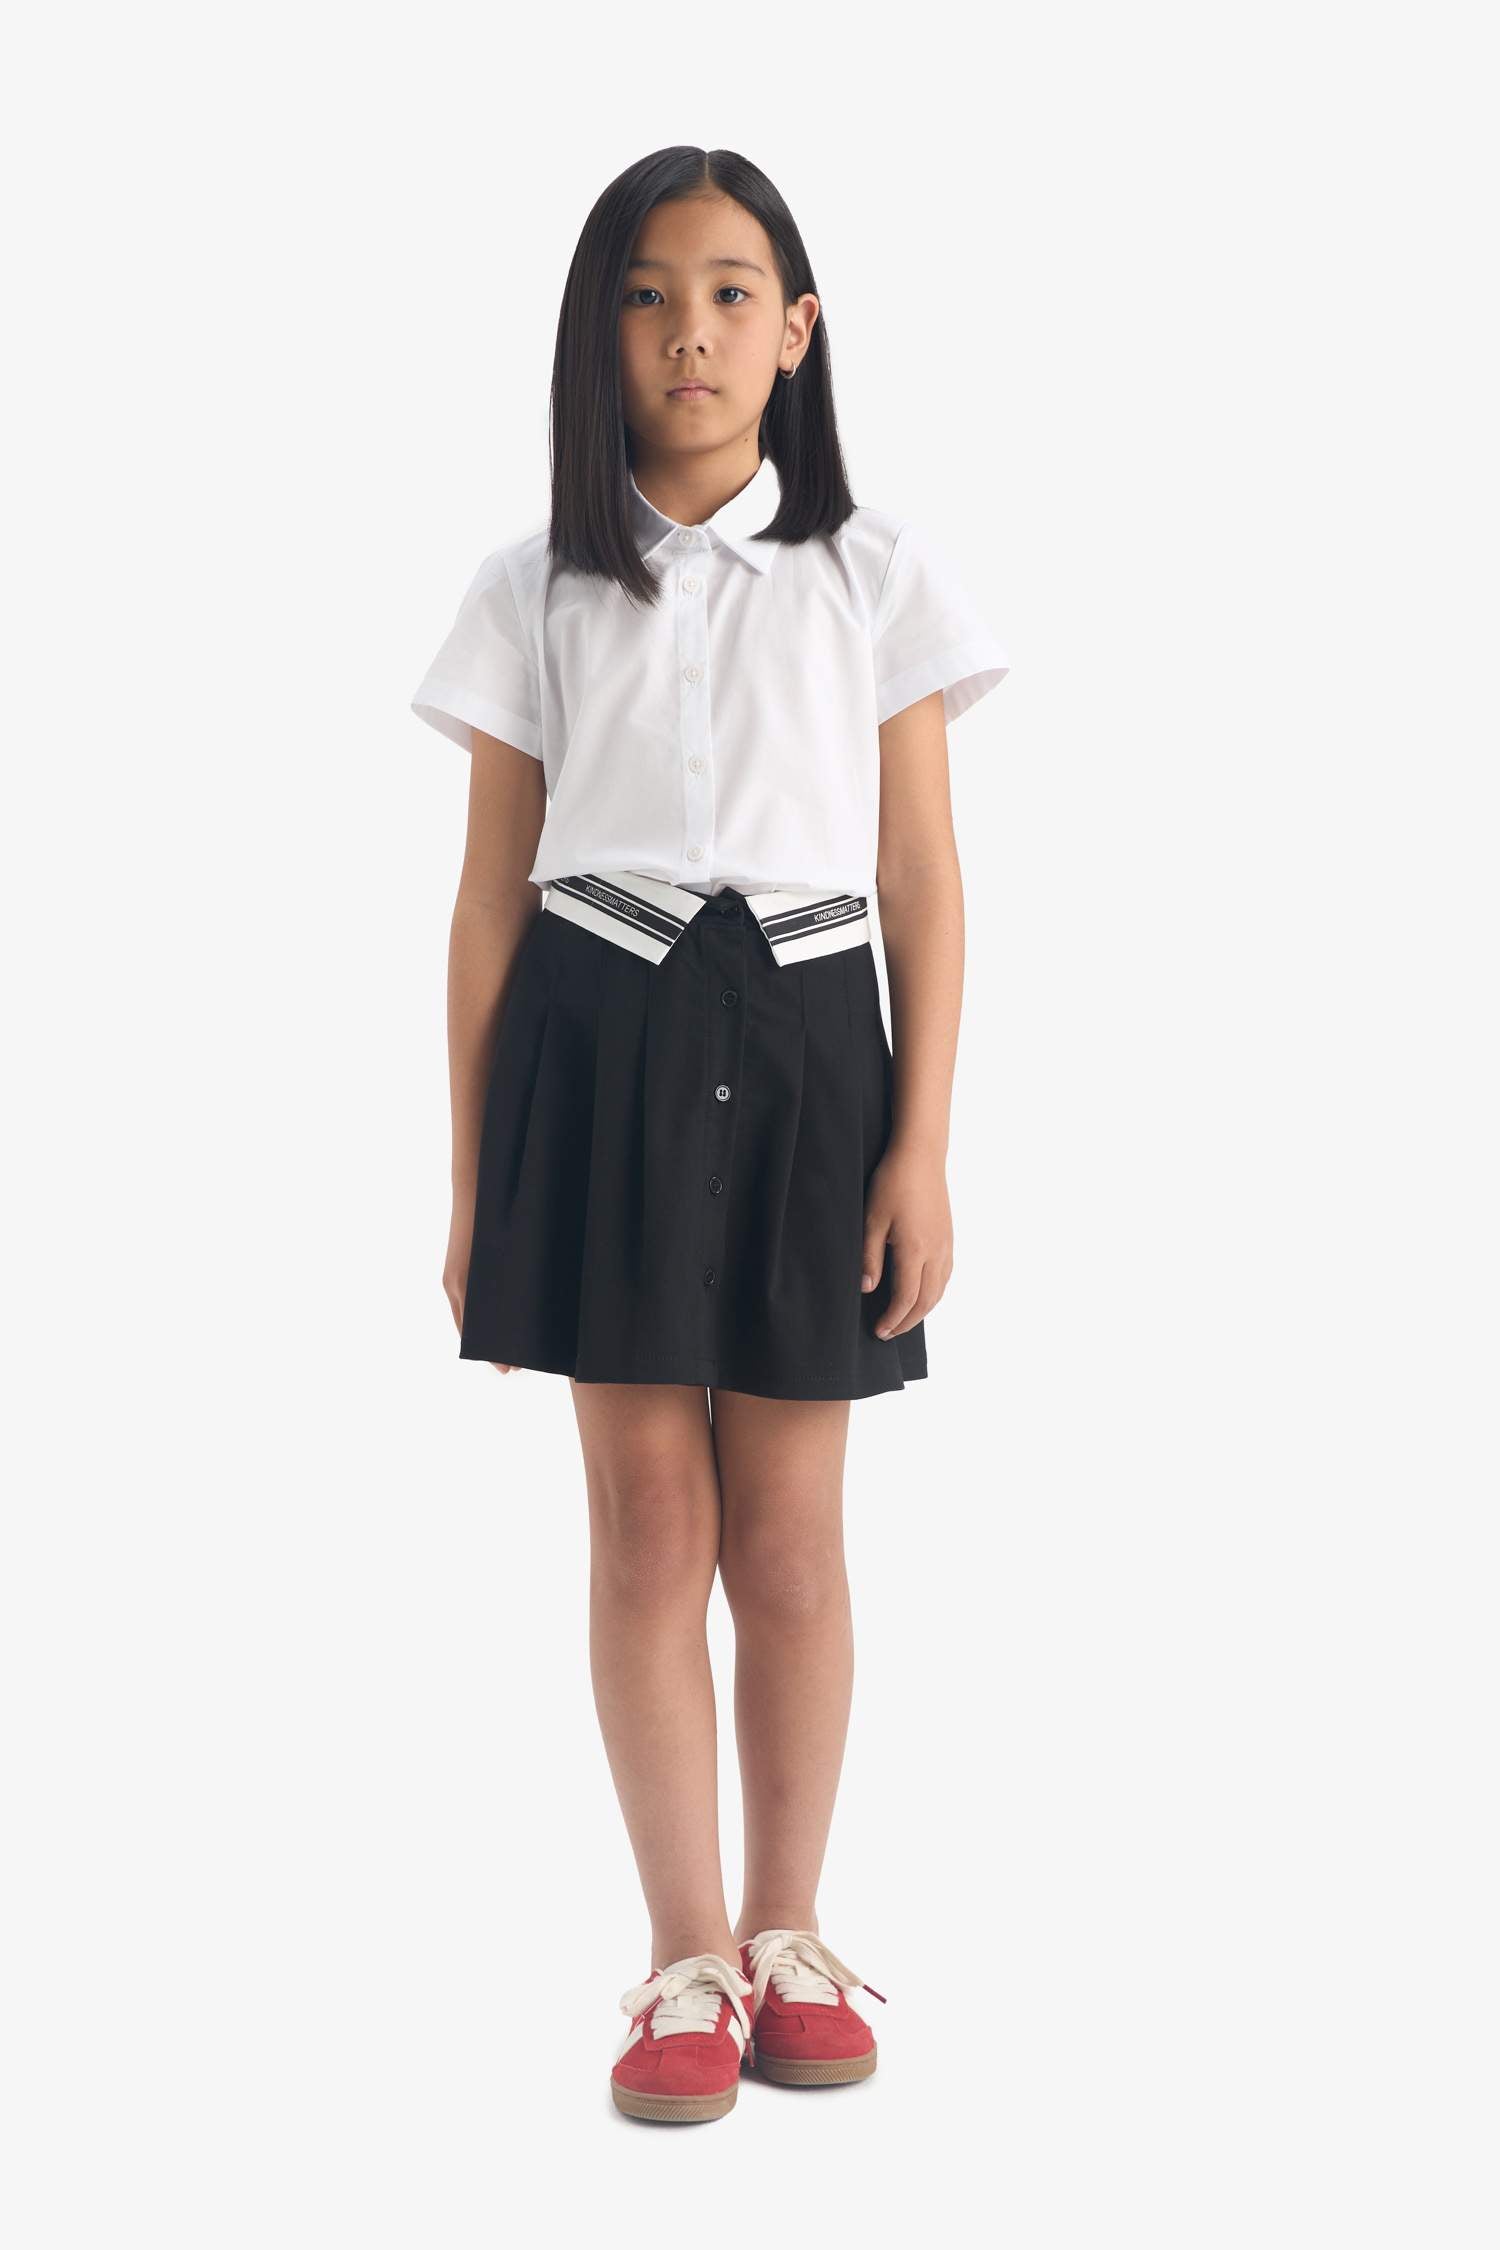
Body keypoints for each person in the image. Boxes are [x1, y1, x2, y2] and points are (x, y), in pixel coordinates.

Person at [410, 146, 1010, 2124]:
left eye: (733, 292)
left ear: (798, 330)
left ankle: (789, 1928)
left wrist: (923, 1143)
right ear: (602, 335)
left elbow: (920, 878)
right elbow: (487, 899)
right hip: (599, 1040)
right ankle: (682, 1957)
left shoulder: (875, 572)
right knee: (648, 1522)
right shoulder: (531, 587)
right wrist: (479, 1176)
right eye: (651, 296)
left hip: (817, 1046)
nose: (693, 332)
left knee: (793, 1537)